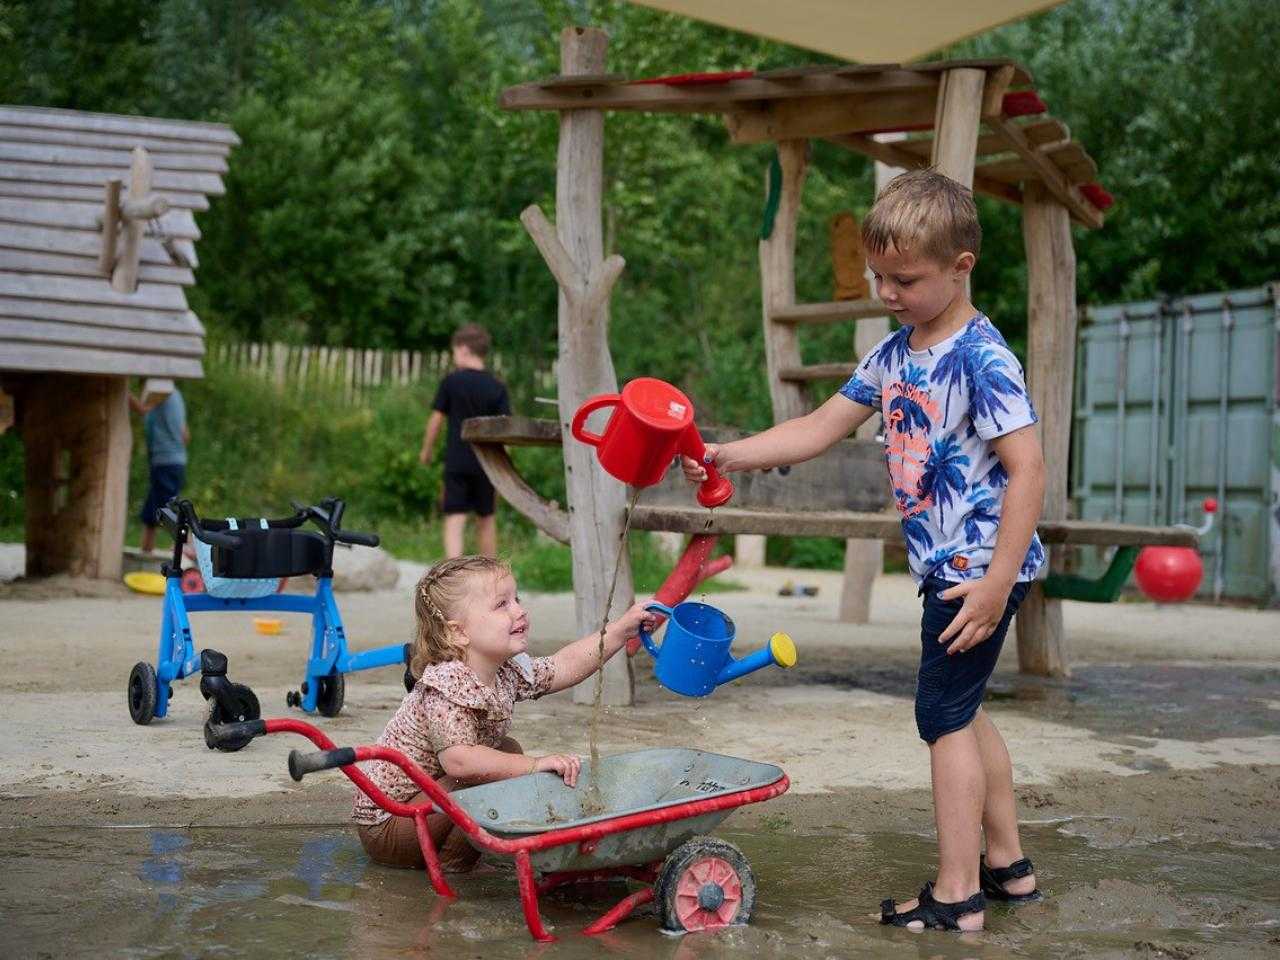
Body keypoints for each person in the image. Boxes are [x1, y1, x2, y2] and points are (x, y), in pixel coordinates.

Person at [684, 169, 1047, 932]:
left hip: (977, 569)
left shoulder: (984, 358)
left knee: (942, 717)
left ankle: (957, 894)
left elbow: (1029, 469)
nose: (886, 291)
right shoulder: (892, 355)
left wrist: (994, 584)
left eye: (904, 279)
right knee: (967, 709)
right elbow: (817, 428)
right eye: (878, 276)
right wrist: (726, 455)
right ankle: (1008, 865)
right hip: (950, 567)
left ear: (961, 266)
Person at [352, 554, 656, 871]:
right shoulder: (447, 685)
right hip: (391, 825)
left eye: (517, 599)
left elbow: (563, 665)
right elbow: (459, 761)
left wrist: (620, 631)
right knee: (489, 769)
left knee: (506, 752)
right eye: (502, 605)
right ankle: (453, 864)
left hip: (425, 807)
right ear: (458, 632)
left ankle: (459, 855)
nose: (520, 610)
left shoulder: (505, 670)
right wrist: (535, 765)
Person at [420, 324, 510, 558]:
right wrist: (504, 470)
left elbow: (436, 420)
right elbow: (505, 431)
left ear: (463, 349)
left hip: (457, 460)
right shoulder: (497, 386)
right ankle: (492, 574)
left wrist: (426, 451)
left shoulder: (452, 382)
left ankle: (453, 572)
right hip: (488, 464)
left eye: (454, 351)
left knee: (455, 516)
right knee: (486, 518)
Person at [129, 379, 189, 553]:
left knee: (171, 513)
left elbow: (141, 408)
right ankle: (145, 551)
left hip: (167, 462)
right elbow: (185, 436)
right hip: (170, 461)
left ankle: (187, 550)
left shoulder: (160, 391)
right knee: (152, 513)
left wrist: (125, 394)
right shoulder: (176, 394)